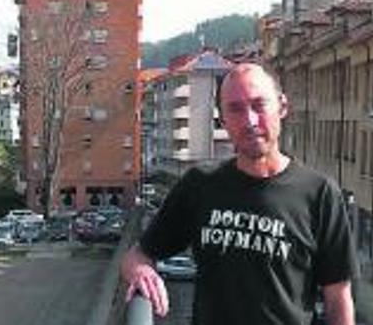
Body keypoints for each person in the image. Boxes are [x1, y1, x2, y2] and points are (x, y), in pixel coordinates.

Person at [120, 63, 357, 325]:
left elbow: (338, 299)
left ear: (282, 107)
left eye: (259, 105)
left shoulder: (319, 193)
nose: (250, 120)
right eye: (236, 109)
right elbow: (138, 254)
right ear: (223, 121)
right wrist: (141, 271)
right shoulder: (200, 185)